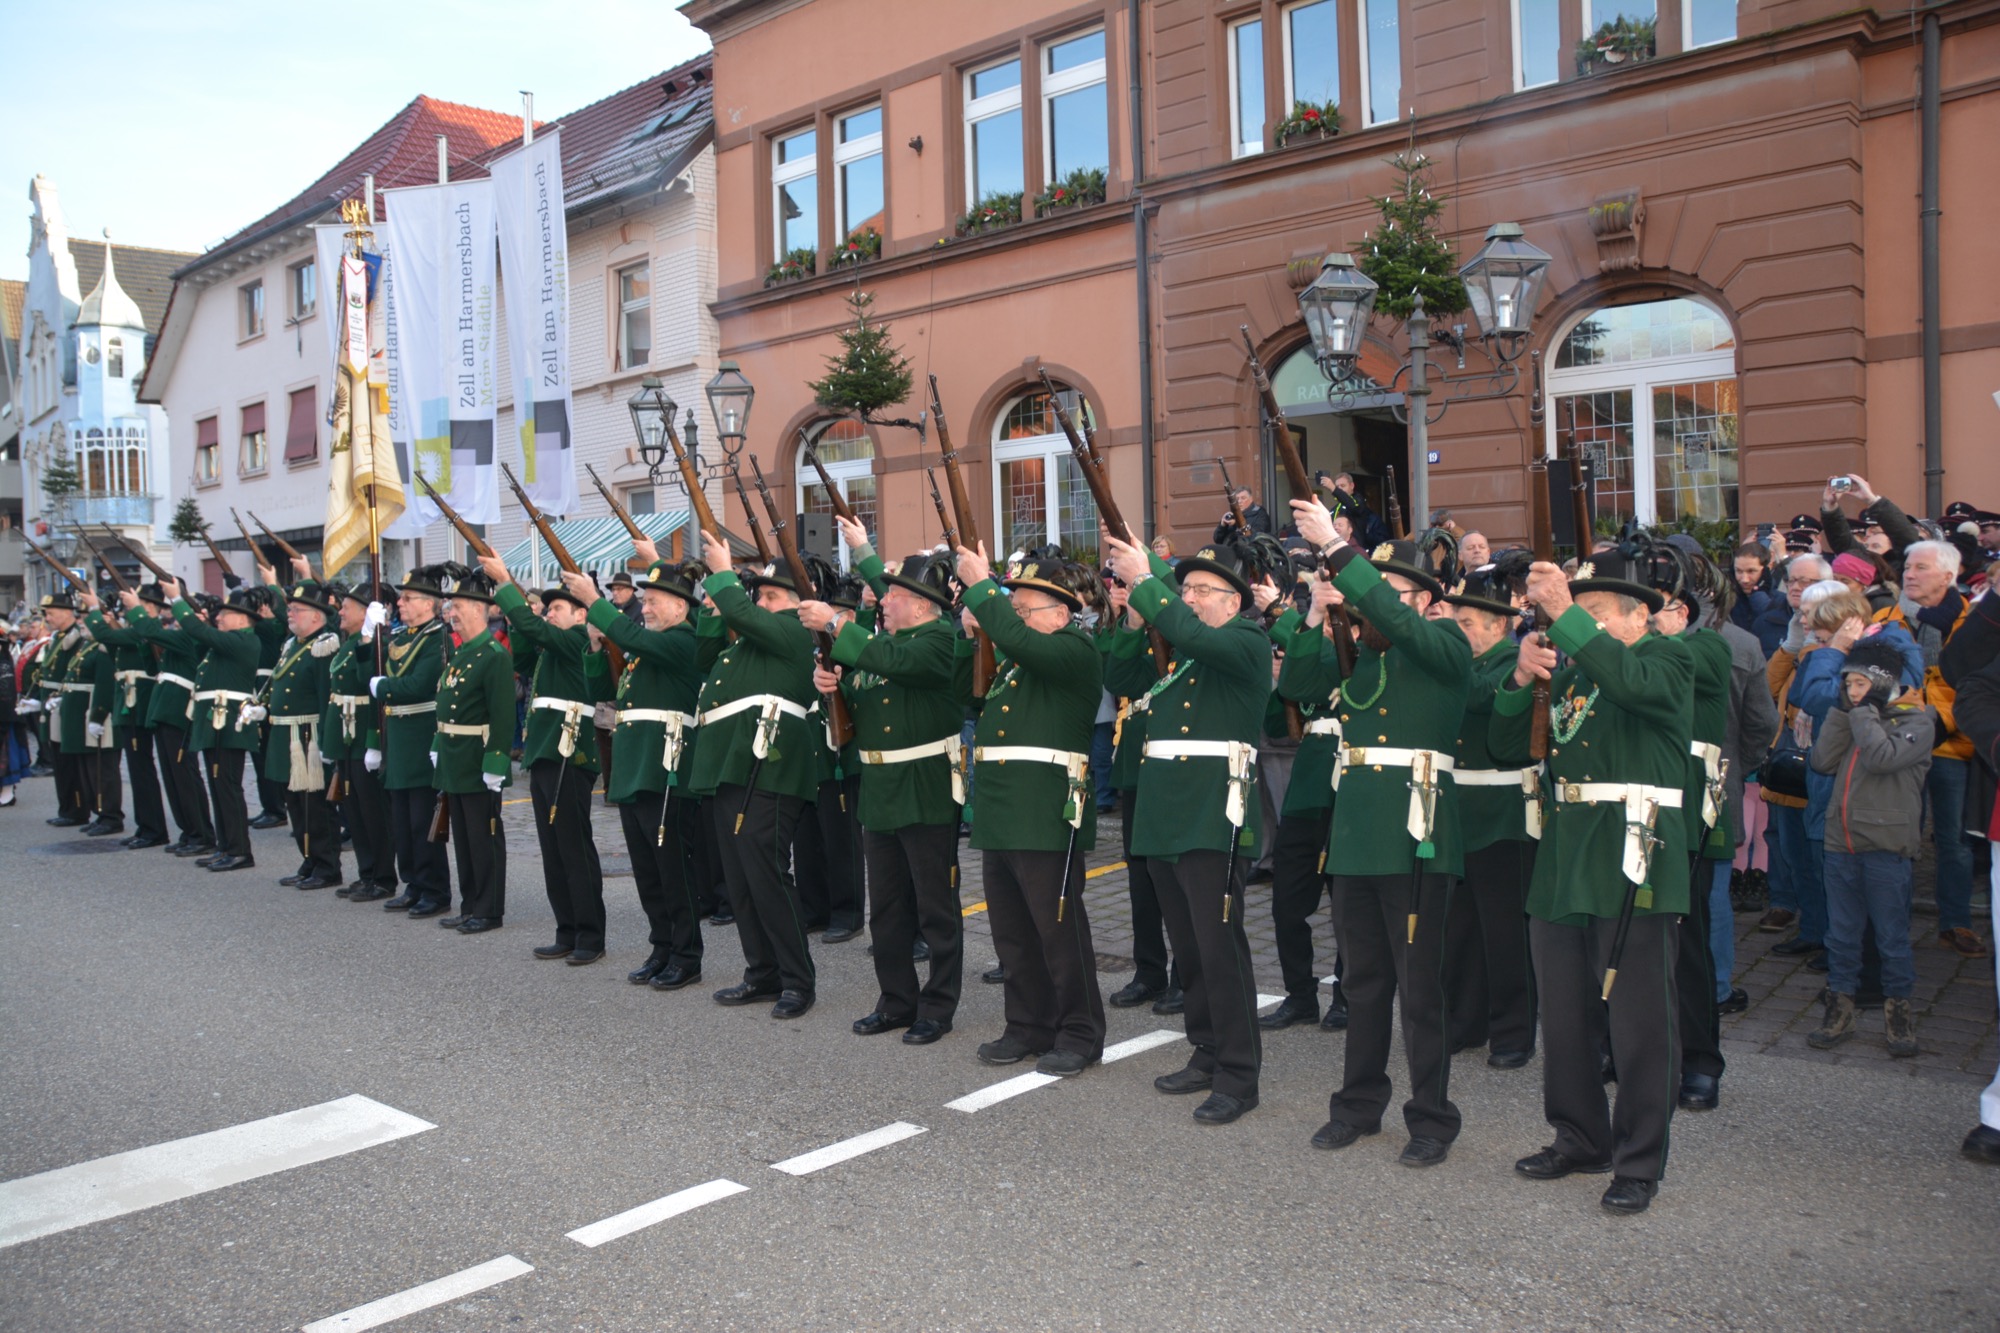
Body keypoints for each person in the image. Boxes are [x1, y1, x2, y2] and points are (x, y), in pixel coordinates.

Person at [1492, 549, 1693, 1215]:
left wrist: (1564, 613)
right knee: (1565, 1011)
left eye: (1598, 612)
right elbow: (1509, 747)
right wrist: (1521, 678)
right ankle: (1579, 1135)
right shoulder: (1576, 673)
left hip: (1632, 847)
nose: (1583, 622)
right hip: (1567, 851)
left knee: (1639, 1018)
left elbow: (1634, 686)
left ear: (1640, 617)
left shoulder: (1668, 659)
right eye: (1580, 612)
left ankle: (1640, 1159)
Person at [1289, 500, 1471, 1168]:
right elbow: (1298, 683)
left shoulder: (1445, 644)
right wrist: (1317, 614)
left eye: (1395, 592)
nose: (1379, 603)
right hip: (1358, 838)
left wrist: (1340, 551)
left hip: (1415, 834)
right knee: (1362, 984)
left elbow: (1397, 621)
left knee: (1420, 989)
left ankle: (1432, 1117)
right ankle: (1357, 1105)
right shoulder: (1361, 657)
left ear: (1427, 601)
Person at [1104, 532, 1273, 1125]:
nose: (1191, 598)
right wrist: (1134, 613)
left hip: (1211, 815)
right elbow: (1121, 673)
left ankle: (1239, 1074)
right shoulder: (1184, 662)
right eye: (1188, 590)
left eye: (1203, 590)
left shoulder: (1246, 641)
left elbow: (1193, 632)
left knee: (1220, 949)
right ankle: (1206, 1049)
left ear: (1234, 601)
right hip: (1166, 817)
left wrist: (1145, 580)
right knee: (1191, 948)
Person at [954, 544, 1108, 1076]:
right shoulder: (1016, 665)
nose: (1014, 618)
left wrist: (983, 590)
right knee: (1013, 933)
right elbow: (963, 692)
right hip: (1002, 808)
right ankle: (1027, 1025)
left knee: (1058, 930)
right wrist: (972, 635)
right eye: (1012, 608)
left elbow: (1019, 641)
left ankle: (1080, 1032)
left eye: (1024, 609)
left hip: (1046, 808)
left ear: (1061, 614)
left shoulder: (1074, 649)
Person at [804, 550, 967, 1045]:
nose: (883, 600)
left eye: (893, 594)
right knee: (888, 909)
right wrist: (830, 687)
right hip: (878, 788)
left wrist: (834, 623)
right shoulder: (880, 647)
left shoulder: (941, 640)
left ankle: (937, 1007)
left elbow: (898, 663)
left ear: (920, 605)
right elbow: (857, 701)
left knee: (935, 906)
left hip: (924, 786)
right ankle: (896, 1001)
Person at [690, 530, 821, 1020]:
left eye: (771, 596)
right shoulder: (745, 645)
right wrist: (713, 605)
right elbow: (704, 657)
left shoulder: (794, 631)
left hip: (772, 767)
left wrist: (723, 573)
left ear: (797, 602)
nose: (761, 603)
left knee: (767, 875)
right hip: (733, 765)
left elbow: (744, 615)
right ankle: (762, 971)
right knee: (741, 879)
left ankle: (797, 980)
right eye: (759, 596)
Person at [569, 560, 707, 990]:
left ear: (681, 607)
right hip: (635, 770)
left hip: (665, 771)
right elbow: (605, 697)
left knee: (673, 871)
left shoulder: (683, 641)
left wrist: (594, 602)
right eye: (644, 602)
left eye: (654, 602)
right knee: (648, 873)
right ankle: (661, 946)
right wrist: (596, 649)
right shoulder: (644, 652)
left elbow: (630, 636)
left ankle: (686, 955)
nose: (644, 609)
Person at [1805, 638, 1935, 1056]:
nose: (1853, 691)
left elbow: (1881, 757)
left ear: (1882, 684)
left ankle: (1898, 1015)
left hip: (1886, 846)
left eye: (1861, 684)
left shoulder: (1918, 722)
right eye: (1848, 684)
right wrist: (1842, 714)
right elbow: (1822, 761)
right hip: (1841, 842)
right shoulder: (1856, 716)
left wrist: (1863, 713)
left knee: (1891, 937)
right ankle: (1840, 1009)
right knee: (1841, 936)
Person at [1440, 563, 1538, 1069]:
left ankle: (1513, 1032)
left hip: (1503, 816)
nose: (1458, 632)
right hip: (1459, 811)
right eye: (1455, 621)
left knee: (1505, 933)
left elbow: (1480, 698)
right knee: (1459, 931)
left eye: (1466, 623)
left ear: (1500, 624)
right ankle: (1465, 1021)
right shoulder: (1473, 662)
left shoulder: (1512, 663)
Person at [487, 556, 610, 962]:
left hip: (568, 755)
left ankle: (590, 936)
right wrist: (518, 613)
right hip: (545, 753)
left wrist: (507, 585)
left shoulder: (577, 641)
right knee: (553, 849)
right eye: (548, 608)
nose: (549, 614)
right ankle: (567, 929)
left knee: (573, 848)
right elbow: (522, 652)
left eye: (557, 608)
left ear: (581, 614)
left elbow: (533, 628)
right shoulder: (550, 649)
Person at [1873, 540, 1985, 958]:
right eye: (1907, 566)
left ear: (1948, 576)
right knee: (1899, 835)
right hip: (1899, 742)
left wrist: (1935, 720)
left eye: (1921, 567)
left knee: (1954, 840)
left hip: (1951, 745)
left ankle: (1955, 922)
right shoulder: (1886, 618)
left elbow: (1974, 687)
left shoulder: (1973, 623)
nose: (1909, 573)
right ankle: (1893, 922)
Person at [1262, 570, 1351, 1035]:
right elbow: (1277, 724)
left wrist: (1285, 621)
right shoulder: (1308, 660)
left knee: (1347, 906)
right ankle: (1300, 996)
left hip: (1348, 792)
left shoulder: (1352, 659)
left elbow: (1326, 669)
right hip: (1306, 793)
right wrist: (1282, 680)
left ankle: (1347, 996)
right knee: (1287, 902)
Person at [1099, 574, 1183, 1016]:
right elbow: (1117, 677)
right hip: (1137, 771)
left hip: (1172, 774)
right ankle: (1149, 971)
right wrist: (1131, 625)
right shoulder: (1146, 642)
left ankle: (1186, 975)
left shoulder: (1189, 645)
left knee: (1177, 882)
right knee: (1141, 880)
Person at [244, 574, 343, 890]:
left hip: (309, 737)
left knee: (316, 807)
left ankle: (327, 866)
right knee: (296, 805)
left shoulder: (325, 645)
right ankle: (309, 860)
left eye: (297, 609)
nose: (290, 614)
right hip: (286, 734)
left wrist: (327, 744)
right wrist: (264, 707)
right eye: (290, 608)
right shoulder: (292, 645)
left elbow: (327, 698)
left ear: (317, 616)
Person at [429, 568, 514, 934]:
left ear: (479, 609)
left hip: (478, 757)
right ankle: (469, 904)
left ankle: (488, 909)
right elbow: (446, 704)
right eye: (451, 606)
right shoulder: (462, 653)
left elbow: (502, 714)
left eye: (458, 606)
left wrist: (496, 761)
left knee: (483, 837)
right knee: (463, 837)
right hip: (455, 756)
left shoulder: (493, 655)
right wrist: (438, 745)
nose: (452, 613)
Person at [164, 579, 263, 871]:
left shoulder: (244, 640)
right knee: (219, 787)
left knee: (228, 787)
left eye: (225, 614)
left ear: (242, 619)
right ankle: (226, 846)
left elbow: (199, 632)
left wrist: (177, 600)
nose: (219, 618)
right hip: (215, 723)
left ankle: (240, 850)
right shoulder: (226, 643)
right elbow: (201, 637)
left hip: (229, 723)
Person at [370, 566, 452, 919]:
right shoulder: (402, 636)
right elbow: (370, 668)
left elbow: (420, 684)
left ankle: (434, 889)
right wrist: (369, 636)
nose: (400, 603)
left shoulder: (437, 638)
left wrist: (384, 687)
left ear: (429, 603)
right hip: (398, 736)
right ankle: (413, 883)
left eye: (407, 598)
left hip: (421, 735)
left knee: (422, 821)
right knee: (401, 821)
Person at [124, 584, 215, 857]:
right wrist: (147, 643)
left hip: (179, 711)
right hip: (164, 709)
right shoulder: (180, 637)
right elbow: (153, 666)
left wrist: (137, 611)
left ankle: (201, 833)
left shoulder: (193, 638)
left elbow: (151, 631)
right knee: (172, 776)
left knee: (184, 775)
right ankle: (188, 831)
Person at [79, 586, 170, 848]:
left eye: (133, 603)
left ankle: (154, 829)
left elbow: (104, 635)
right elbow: (110, 642)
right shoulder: (136, 629)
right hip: (129, 705)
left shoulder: (147, 628)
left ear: (149, 607)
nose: (128, 608)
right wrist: (107, 619)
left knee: (142, 771)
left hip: (138, 705)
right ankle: (146, 827)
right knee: (138, 770)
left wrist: (94, 609)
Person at [325, 580, 396, 902]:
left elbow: (366, 685)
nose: (340, 612)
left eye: (346, 607)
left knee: (373, 811)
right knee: (354, 810)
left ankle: (383, 876)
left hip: (364, 733)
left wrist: (374, 742)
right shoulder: (349, 642)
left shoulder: (377, 643)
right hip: (346, 734)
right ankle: (367, 872)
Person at [1730, 542, 1788, 656]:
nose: (1744, 579)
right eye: (1739, 571)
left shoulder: (1782, 602)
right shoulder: (1727, 603)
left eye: (1751, 571)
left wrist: (1758, 596)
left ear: (1766, 570)